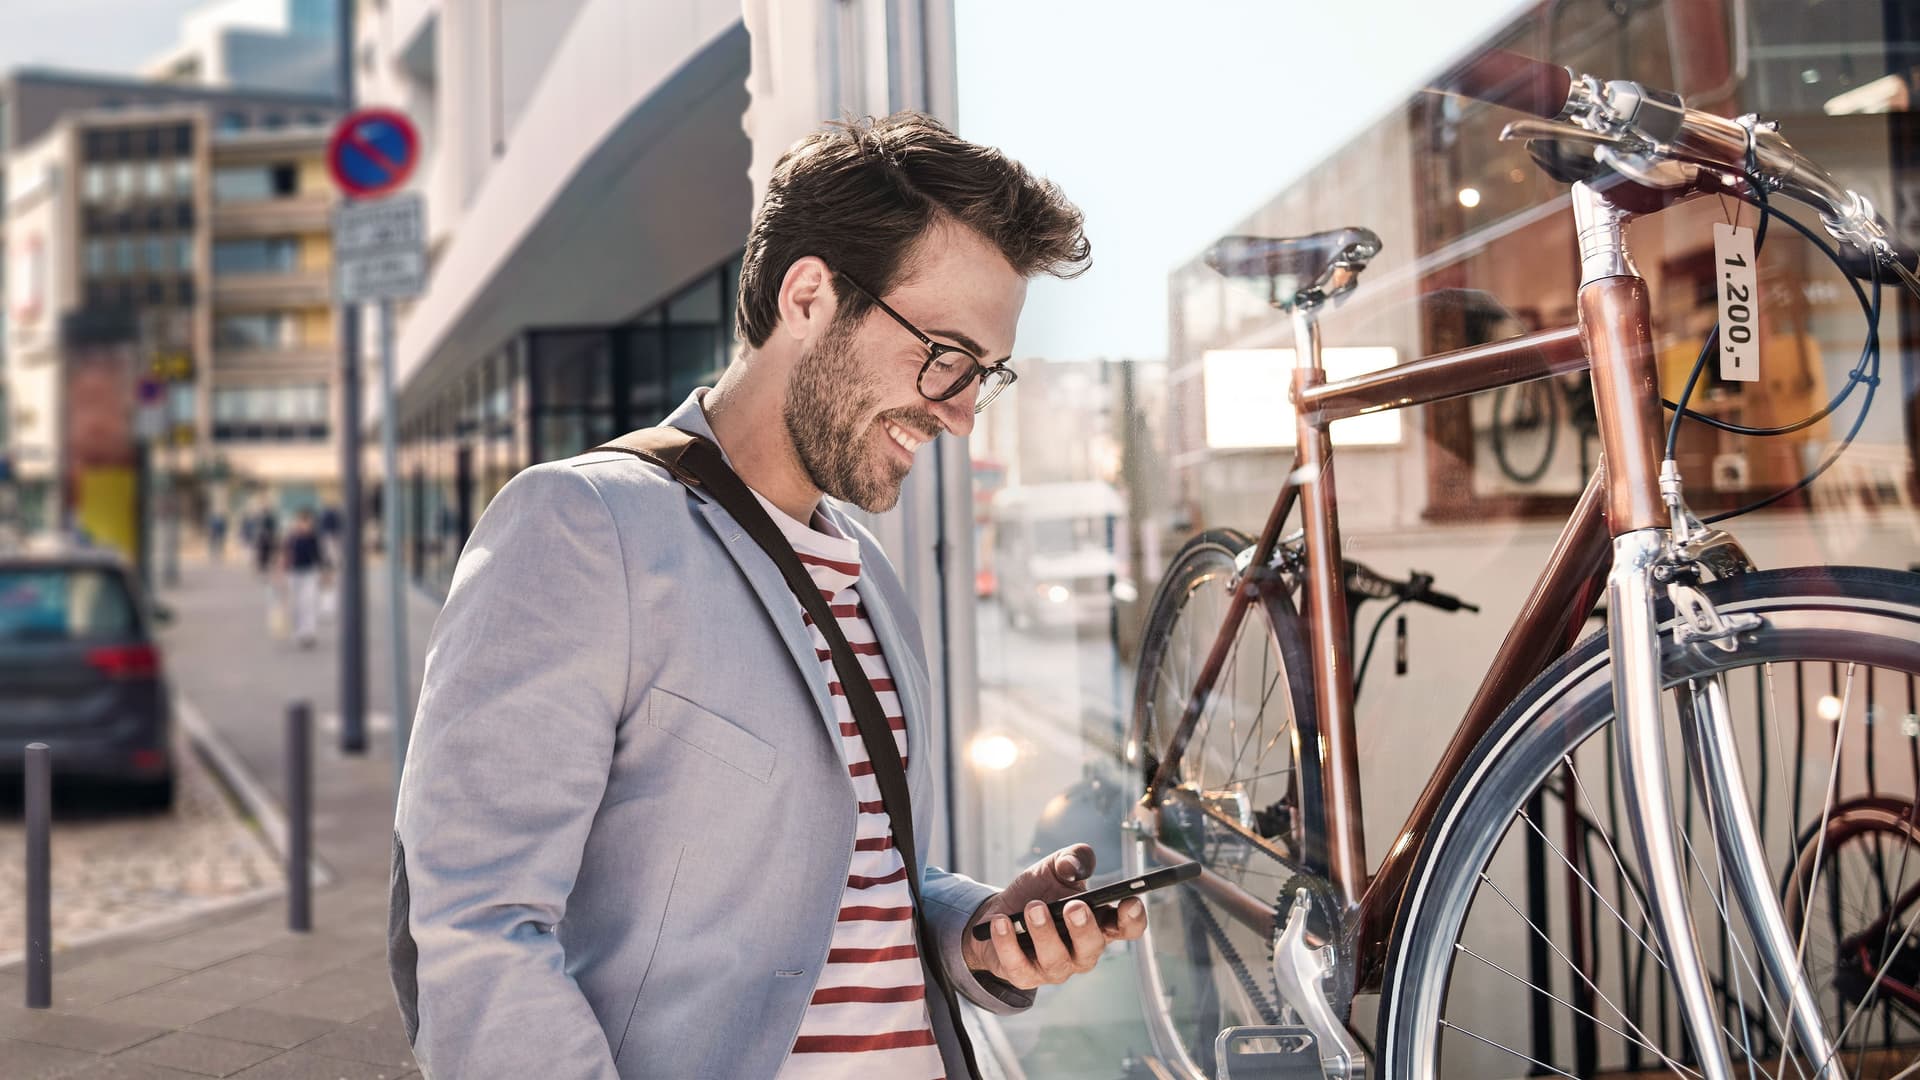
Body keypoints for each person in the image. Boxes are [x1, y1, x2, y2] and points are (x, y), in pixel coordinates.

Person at [391, 113, 1139, 1079]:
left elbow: (858, 881)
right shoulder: (581, 525)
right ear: (809, 295)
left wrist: (980, 929)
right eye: (944, 354)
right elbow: (468, 923)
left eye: (981, 376)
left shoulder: (868, 574)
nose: (958, 412)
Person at [279, 508, 331, 648]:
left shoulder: (314, 537)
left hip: (309, 573)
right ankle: (298, 632)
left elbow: (320, 556)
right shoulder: (291, 537)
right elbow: (284, 556)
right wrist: (281, 574)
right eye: (303, 522)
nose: (306, 525)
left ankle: (309, 632)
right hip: (294, 574)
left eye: (308, 523)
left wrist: (325, 573)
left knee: (308, 603)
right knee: (295, 604)